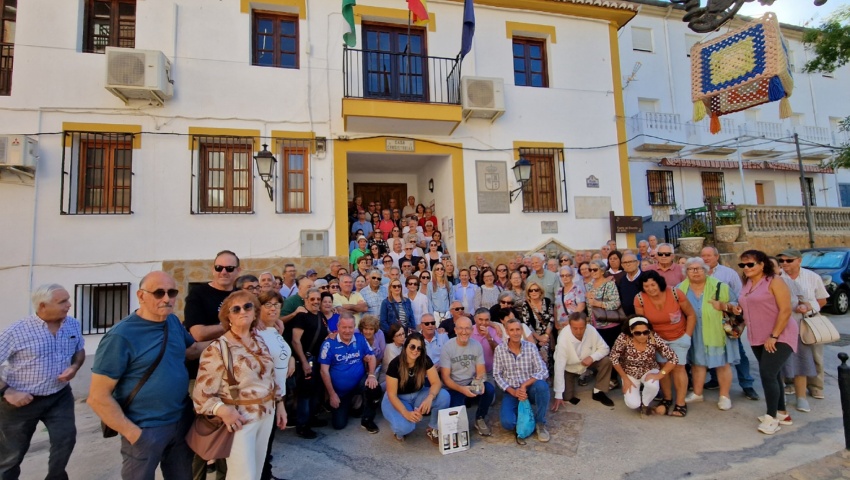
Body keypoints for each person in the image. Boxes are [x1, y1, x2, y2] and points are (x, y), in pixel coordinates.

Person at [89, 272, 204, 480]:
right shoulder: (121, 335)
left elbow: (192, 350)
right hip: (144, 428)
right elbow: (98, 397)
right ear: (141, 296)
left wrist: (234, 338)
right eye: (159, 293)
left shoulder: (173, 323)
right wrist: (134, 434)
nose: (167, 298)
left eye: (172, 292)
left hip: (180, 423)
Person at [193, 290, 285, 480]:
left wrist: (280, 404)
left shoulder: (259, 340)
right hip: (239, 419)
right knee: (243, 475)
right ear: (228, 317)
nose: (243, 311)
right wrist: (223, 411)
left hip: (267, 414)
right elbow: (201, 396)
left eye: (248, 306)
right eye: (236, 309)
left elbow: (270, 376)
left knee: (257, 471)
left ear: (255, 312)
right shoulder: (217, 348)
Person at [0, 285, 85, 480]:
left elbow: (79, 350)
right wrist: (7, 391)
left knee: (65, 441)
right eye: (62, 301)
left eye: (68, 300)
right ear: (42, 305)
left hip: (59, 396)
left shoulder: (72, 324)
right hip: (20, 402)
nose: (69, 305)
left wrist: (74, 367)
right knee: (11, 456)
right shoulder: (17, 331)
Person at [182, 250, 239, 479]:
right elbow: (197, 333)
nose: (223, 272)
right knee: (202, 432)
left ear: (238, 271)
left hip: (233, 376)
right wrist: (231, 325)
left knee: (227, 432)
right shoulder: (199, 294)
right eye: (219, 268)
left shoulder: (239, 295)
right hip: (202, 375)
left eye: (229, 268)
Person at [735, 250, 797, 435]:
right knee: (774, 374)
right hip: (757, 336)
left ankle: (771, 417)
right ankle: (782, 414)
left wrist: (775, 335)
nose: (746, 268)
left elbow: (786, 310)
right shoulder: (747, 283)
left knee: (768, 374)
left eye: (750, 264)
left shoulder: (775, 281)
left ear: (762, 264)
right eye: (743, 265)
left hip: (779, 335)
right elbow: (746, 308)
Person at [678, 258, 740, 411]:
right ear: (686, 272)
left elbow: (736, 305)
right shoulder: (680, 289)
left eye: (699, 268)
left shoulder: (720, 286)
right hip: (694, 331)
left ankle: (724, 396)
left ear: (705, 270)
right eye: (691, 269)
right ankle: (697, 393)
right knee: (697, 363)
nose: (695, 271)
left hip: (717, 332)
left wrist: (723, 305)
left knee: (722, 363)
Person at [634, 270, 696, 418]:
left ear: (659, 283)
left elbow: (691, 315)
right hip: (657, 339)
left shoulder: (675, 293)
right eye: (646, 286)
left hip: (678, 336)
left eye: (653, 285)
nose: (650, 288)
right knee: (663, 368)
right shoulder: (640, 299)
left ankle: (681, 403)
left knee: (678, 368)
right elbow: (642, 323)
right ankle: (667, 398)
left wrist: (687, 336)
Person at [699, 247, 757, 399]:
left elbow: (739, 295)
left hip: (726, 320)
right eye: (703, 255)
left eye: (709, 255)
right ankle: (715, 380)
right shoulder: (698, 273)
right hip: (707, 322)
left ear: (716, 256)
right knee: (711, 351)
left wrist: (738, 316)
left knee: (738, 352)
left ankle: (747, 384)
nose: (706, 258)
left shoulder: (728, 273)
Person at [775, 248, 829, 403]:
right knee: (788, 355)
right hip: (787, 321)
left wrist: (809, 307)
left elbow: (822, 299)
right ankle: (790, 383)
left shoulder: (812, 277)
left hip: (808, 320)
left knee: (815, 355)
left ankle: (816, 385)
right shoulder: (778, 278)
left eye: (789, 260)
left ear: (799, 260)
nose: (785, 264)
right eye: (782, 261)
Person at [318, 314, 382, 433]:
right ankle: (348, 406)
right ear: (338, 326)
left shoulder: (360, 339)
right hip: (340, 392)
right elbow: (323, 371)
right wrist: (332, 394)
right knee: (339, 425)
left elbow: (372, 356)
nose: (347, 331)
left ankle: (367, 420)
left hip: (359, 384)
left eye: (350, 327)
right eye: (344, 327)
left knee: (374, 388)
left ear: (354, 327)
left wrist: (372, 375)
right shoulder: (329, 344)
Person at [382, 332, 450, 443]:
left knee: (444, 396)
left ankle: (433, 428)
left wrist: (430, 397)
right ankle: (399, 429)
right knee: (405, 428)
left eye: (419, 348)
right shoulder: (395, 364)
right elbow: (391, 395)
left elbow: (436, 383)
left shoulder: (424, 360)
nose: (415, 350)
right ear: (405, 346)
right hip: (397, 398)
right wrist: (406, 413)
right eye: (412, 346)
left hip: (418, 394)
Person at [771, 257, 817, 414]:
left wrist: (804, 306)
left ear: (779, 269)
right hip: (772, 332)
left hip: (794, 328)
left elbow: (808, 302)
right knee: (776, 367)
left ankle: (801, 397)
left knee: (800, 363)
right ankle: (780, 396)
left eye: (773, 267)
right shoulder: (759, 286)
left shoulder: (790, 284)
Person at [493, 318, 550, 446]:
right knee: (507, 424)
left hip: (529, 388)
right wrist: (513, 391)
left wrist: (524, 385)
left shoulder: (530, 347)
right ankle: (523, 418)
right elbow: (497, 375)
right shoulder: (500, 350)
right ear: (507, 332)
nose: (515, 333)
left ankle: (540, 422)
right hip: (511, 391)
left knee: (542, 386)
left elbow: (543, 370)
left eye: (518, 329)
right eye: (512, 330)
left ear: (522, 331)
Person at [256, 291, 294, 480]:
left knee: (267, 443)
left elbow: (280, 353)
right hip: (262, 398)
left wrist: (292, 358)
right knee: (259, 445)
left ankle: (266, 475)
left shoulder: (276, 329)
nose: (273, 308)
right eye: (267, 304)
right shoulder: (255, 332)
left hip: (277, 396)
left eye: (277, 305)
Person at [440, 316, 496, 437]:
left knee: (489, 389)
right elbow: (445, 377)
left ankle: (480, 418)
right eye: (460, 328)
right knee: (457, 417)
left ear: (472, 330)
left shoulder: (476, 346)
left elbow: (481, 371)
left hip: (471, 383)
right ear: (455, 330)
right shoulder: (447, 347)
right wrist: (462, 390)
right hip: (454, 386)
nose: (464, 332)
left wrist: (478, 383)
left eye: (467, 328)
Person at [610, 318, 679, 416]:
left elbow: (674, 358)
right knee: (633, 404)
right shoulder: (623, 338)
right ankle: (639, 401)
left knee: (652, 385)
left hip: (649, 370)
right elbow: (613, 358)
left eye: (645, 332)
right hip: (629, 372)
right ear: (631, 331)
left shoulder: (653, 337)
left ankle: (645, 404)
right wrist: (625, 378)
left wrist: (660, 375)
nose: (642, 335)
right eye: (638, 333)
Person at [551, 311, 614, 411]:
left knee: (606, 361)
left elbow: (605, 348)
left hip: (587, 362)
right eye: (575, 328)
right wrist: (558, 394)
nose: (578, 331)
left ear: (586, 324)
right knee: (567, 397)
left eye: (581, 328)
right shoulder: (563, 338)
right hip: (569, 367)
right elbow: (559, 366)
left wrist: (592, 357)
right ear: (569, 325)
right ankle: (572, 383)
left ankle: (598, 392)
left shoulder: (591, 330)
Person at [291, 288, 329, 439]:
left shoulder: (319, 315)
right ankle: (302, 425)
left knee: (316, 391)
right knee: (305, 394)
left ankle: (312, 419)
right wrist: (304, 362)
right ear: (306, 300)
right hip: (307, 360)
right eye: (312, 299)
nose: (315, 302)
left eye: (318, 299)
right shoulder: (302, 316)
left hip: (318, 360)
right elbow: (295, 340)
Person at [585, 259, 623, 348]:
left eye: (595, 269)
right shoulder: (589, 285)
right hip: (594, 326)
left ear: (602, 271)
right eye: (590, 270)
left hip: (609, 325)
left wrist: (598, 303)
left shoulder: (609, 284)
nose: (592, 272)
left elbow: (616, 303)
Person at [519, 281, 554, 363]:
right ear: (528, 293)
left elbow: (551, 319)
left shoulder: (547, 301)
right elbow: (527, 324)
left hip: (547, 336)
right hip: (533, 337)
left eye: (536, 290)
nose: (533, 292)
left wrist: (546, 336)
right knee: (538, 360)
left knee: (548, 359)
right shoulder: (525, 305)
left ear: (540, 291)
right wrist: (539, 338)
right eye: (531, 290)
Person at [471, 308, 503, 384]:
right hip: (471, 374)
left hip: (489, 372)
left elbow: (499, 351)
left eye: (486, 320)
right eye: (480, 320)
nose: (483, 323)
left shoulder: (494, 330)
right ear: (475, 319)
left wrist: (488, 337)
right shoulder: (469, 330)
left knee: (490, 392)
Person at [617, 253, 643, 318]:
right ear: (622, 265)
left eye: (631, 262)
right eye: (625, 263)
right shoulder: (621, 281)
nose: (628, 264)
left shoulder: (645, 278)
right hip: (628, 318)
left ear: (637, 263)